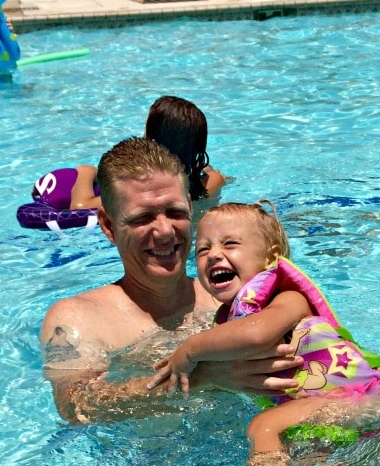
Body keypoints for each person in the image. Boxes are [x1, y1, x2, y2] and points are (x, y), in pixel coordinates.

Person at [147, 200, 380, 466]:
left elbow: (257, 334)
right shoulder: (230, 320)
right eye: (202, 249)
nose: (213, 255)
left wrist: (189, 351)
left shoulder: (287, 299)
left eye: (230, 243)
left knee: (264, 427)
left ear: (270, 257)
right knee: (299, 462)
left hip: (365, 399)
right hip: (335, 406)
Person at [39, 137, 301, 425]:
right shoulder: (78, 318)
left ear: (190, 207)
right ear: (108, 226)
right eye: (143, 218)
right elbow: (75, 407)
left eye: (175, 213)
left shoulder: (229, 293)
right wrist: (203, 377)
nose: (165, 231)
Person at [35, 95, 226, 212]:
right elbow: (212, 173)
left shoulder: (141, 192)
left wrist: (86, 173)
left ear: (152, 139)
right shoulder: (214, 181)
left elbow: (80, 206)